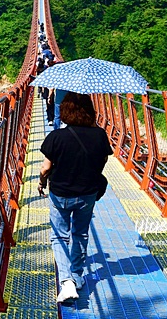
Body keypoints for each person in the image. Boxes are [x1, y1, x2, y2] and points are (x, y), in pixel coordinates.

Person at [38, 92, 113, 303]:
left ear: (64, 111)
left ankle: (67, 282)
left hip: (61, 194)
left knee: (59, 236)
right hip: (88, 194)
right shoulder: (100, 135)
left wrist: (42, 181)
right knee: (80, 234)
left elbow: (45, 168)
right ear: (90, 111)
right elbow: (102, 161)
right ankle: (78, 277)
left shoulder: (56, 137)